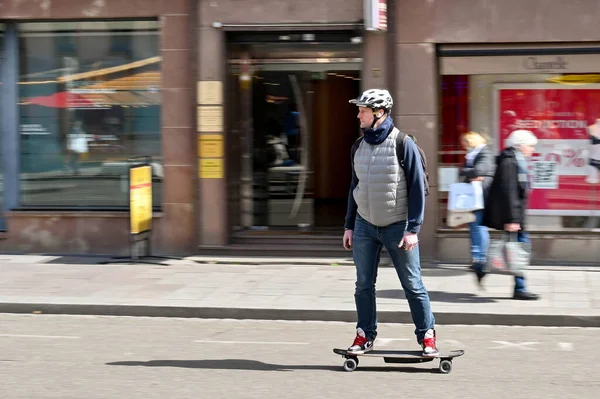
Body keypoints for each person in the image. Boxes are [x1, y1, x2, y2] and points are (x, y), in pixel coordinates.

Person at [342, 89, 438, 356]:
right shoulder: (357, 147)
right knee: (363, 284)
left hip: (398, 226)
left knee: (412, 284)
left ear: (379, 112)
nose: (358, 114)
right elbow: (355, 187)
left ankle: (427, 335)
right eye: (359, 109)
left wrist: (413, 229)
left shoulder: (403, 143)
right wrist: (349, 225)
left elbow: (418, 188)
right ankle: (364, 335)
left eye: (363, 110)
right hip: (364, 225)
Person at [479, 129, 540, 300]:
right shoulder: (510, 162)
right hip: (514, 217)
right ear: (520, 145)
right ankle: (519, 287)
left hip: (516, 215)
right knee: (518, 250)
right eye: (530, 146)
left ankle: (483, 269)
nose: (532, 150)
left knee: (515, 250)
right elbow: (508, 192)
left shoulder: (515, 160)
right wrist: (512, 219)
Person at [458, 132, 495, 277]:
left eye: (465, 143)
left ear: (471, 142)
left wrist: (466, 171)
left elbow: (479, 170)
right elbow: (472, 172)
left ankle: (482, 259)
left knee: (479, 227)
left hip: (481, 196)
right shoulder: (474, 154)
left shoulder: (484, 153)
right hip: (473, 196)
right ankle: (476, 259)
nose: (464, 147)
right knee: (473, 227)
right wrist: (471, 173)